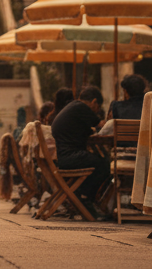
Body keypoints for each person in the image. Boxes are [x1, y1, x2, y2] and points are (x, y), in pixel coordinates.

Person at [50, 86, 110, 221]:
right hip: (71, 158)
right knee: (105, 165)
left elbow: (86, 131)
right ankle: (85, 197)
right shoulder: (81, 107)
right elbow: (102, 125)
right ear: (94, 102)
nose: (97, 111)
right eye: (98, 107)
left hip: (65, 158)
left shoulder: (73, 107)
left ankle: (84, 195)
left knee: (100, 162)